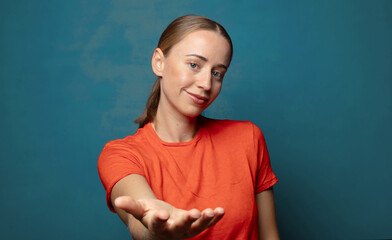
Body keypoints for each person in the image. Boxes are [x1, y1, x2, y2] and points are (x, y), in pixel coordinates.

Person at [98, 15, 279, 240]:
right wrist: (155, 227)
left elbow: (270, 235)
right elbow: (140, 219)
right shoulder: (121, 154)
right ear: (159, 62)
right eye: (194, 65)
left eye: (217, 73)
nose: (206, 84)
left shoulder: (248, 138)